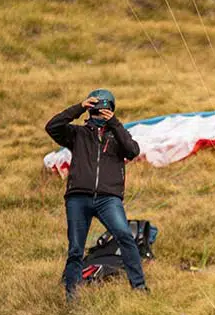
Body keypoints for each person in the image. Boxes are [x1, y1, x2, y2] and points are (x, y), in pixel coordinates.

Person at [45, 89, 147, 301]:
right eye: (96, 111)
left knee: (125, 237)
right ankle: (72, 297)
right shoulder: (77, 135)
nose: (100, 115)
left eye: (104, 111)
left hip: (108, 198)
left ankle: (139, 287)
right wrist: (79, 107)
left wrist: (115, 124)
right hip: (78, 198)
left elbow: (133, 151)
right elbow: (52, 127)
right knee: (75, 249)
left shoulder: (118, 135)